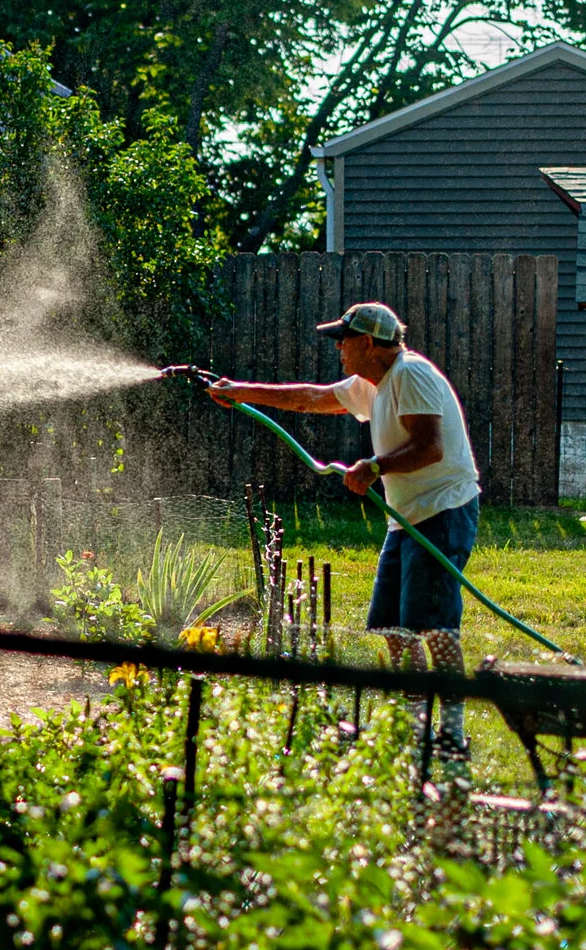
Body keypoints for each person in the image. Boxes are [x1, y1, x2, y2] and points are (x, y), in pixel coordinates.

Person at [205, 301, 482, 757]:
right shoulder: (371, 384)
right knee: (393, 628)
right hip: (407, 518)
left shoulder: (410, 375)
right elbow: (311, 397)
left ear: (369, 343)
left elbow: (430, 448)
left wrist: (375, 466)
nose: (338, 348)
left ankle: (451, 735)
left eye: (344, 339)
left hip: (443, 511)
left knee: (434, 629)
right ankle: (414, 733)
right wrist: (240, 391)